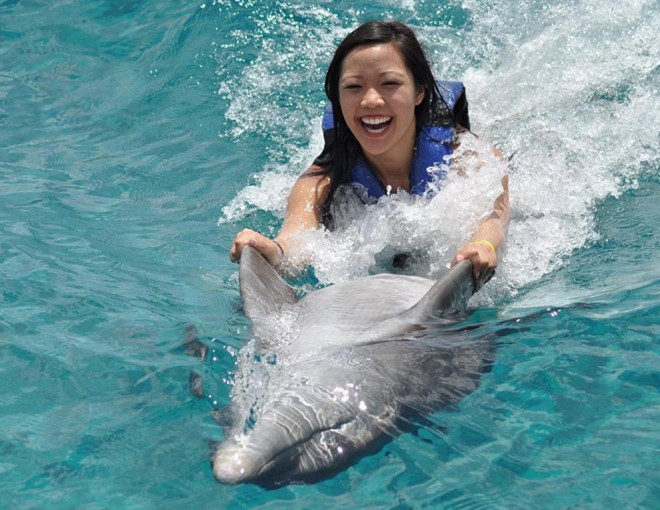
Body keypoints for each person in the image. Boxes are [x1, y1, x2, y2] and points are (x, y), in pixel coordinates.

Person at [230, 20, 509, 281]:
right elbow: (297, 237)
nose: (370, 100)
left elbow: (493, 220)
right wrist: (274, 254)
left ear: (419, 92)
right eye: (353, 87)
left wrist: (481, 245)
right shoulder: (320, 182)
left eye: (389, 84)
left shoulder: (470, 158)